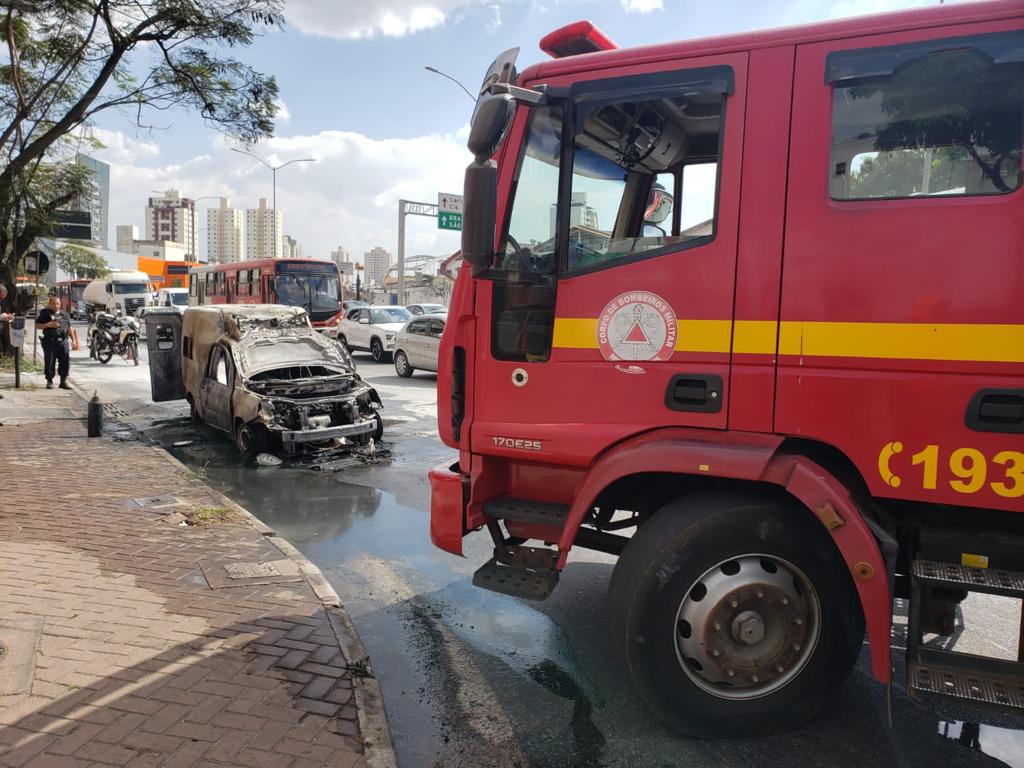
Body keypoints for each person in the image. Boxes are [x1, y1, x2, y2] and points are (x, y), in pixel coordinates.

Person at [36, 295, 72, 390]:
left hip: (63, 341)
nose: (56, 305)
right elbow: (37, 325)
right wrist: (48, 324)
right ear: (50, 304)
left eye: (57, 303)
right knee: (50, 361)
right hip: (50, 341)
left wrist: (74, 340)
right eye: (54, 303)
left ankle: (63, 381)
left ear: (60, 304)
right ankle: (49, 381)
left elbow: (69, 327)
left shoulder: (65, 314)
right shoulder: (45, 313)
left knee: (65, 361)